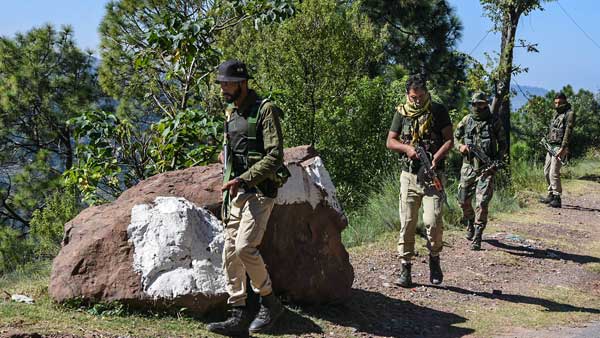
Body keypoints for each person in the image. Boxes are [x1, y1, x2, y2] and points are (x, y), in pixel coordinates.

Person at [207, 59, 286, 336]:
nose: (223, 89)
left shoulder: (265, 110)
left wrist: (243, 179)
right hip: (237, 193)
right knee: (229, 251)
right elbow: (229, 147)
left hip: (260, 191)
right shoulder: (231, 112)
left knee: (244, 248)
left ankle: (270, 301)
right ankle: (238, 312)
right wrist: (224, 158)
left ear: (242, 83)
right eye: (221, 84)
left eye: (227, 83)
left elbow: (275, 156)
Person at [386, 74, 453, 288]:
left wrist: (435, 158)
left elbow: (450, 140)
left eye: (421, 96)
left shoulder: (438, 110)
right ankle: (405, 267)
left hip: (432, 176)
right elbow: (391, 141)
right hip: (409, 176)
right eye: (413, 97)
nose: (417, 101)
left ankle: (434, 258)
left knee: (432, 222)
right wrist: (408, 149)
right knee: (407, 223)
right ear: (407, 94)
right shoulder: (402, 112)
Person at [454, 92, 507, 250]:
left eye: (481, 104)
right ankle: (470, 221)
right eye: (475, 104)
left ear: (486, 104)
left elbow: (503, 144)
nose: (478, 107)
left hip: (486, 169)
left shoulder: (494, 121)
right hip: (468, 167)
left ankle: (478, 234)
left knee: (482, 203)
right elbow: (455, 137)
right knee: (462, 200)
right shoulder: (467, 120)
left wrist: (496, 161)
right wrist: (460, 147)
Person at [539, 92, 575, 208]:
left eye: (559, 102)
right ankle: (550, 194)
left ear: (565, 101)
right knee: (546, 171)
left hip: (560, 146)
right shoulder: (556, 113)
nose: (557, 105)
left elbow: (568, 133)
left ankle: (557, 197)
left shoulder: (569, 114)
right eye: (555, 102)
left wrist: (564, 148)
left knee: (554, 172)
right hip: (551, 146)